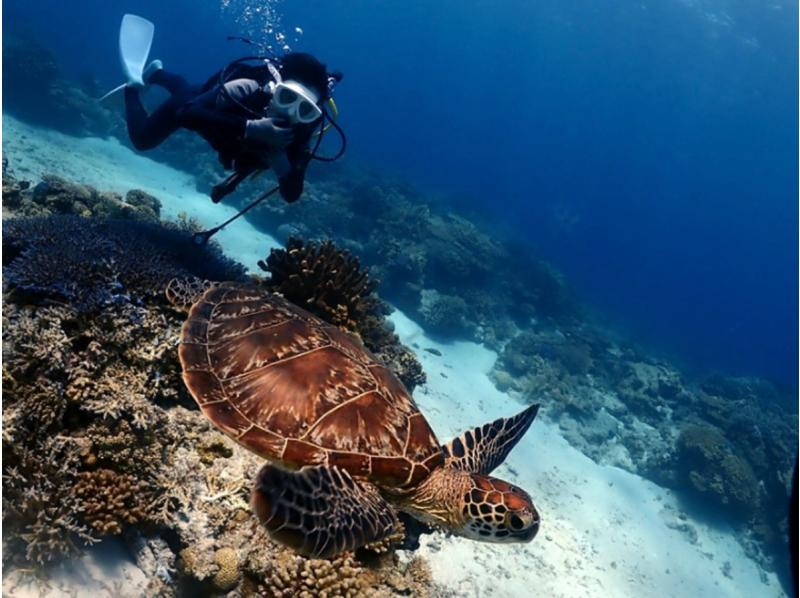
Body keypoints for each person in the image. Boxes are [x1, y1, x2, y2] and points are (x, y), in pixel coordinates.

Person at [124, 52, 337, 203]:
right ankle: (132, 88)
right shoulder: (250, 88)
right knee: (143, 139)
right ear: (274, 89)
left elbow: (291, 195)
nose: (290, 113)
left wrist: (283, 166)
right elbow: (187, 114)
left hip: (206, 106)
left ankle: (157, 74)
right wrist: (250, 127)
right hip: (200, 107)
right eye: (287, 97)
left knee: (187, 89)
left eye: (305, 110)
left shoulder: (299, 134)